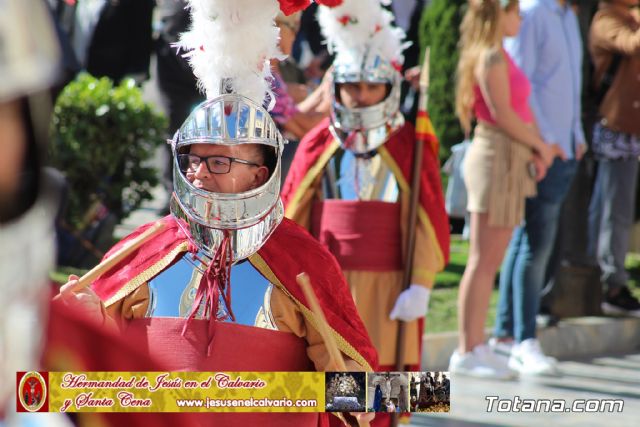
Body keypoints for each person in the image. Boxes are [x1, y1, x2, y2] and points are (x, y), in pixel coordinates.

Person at [58, 1, 377, 426]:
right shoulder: (144, 249)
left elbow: (373, 398)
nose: (199, 172)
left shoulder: (303, 260)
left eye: (219, 161)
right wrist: (86, 323)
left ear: (260, 173)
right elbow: (79, 379)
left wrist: (348, 389)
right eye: (192, 159)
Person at [282, 0, 450, 374]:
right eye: (351, 86)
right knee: (332, 376)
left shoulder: (411, 144)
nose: (361, 95)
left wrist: (422, 284)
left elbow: (429, 218)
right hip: (327, 285)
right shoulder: (317, 142)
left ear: (388, 87)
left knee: (389, 380)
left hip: (390, 284)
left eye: (372, 86)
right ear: (336, 88)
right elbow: (292, 217)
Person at [448, 0, 561, 379]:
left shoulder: (497, 55)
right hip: (496, 157)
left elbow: (516, 112)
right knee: (483, 260)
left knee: (489, 260)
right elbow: (504, 115)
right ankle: (468, 349)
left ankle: (475, 345)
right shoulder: (491, 57)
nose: (520, 18)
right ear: (499, 14)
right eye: (514, 11)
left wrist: (536, 146)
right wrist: (541, 146)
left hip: (506, 158)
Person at [490, 0, 586, 377]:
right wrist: (543, 141)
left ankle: (506, 335)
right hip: (543, 150)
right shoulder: (532, 13)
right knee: (534, 246)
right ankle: (522, 339)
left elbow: (569, 82)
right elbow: (520, 85)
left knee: (527, 242)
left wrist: (575, 134)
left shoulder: (567, 16)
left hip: (563, 148)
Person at [586, 0, 640, 317]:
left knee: (616, 208)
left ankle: (610, 277)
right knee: (611, 208)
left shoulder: (629, 17)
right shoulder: (605, 20)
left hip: (629, 129)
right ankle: (611, 283)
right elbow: (630, 44)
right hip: (614, 128)